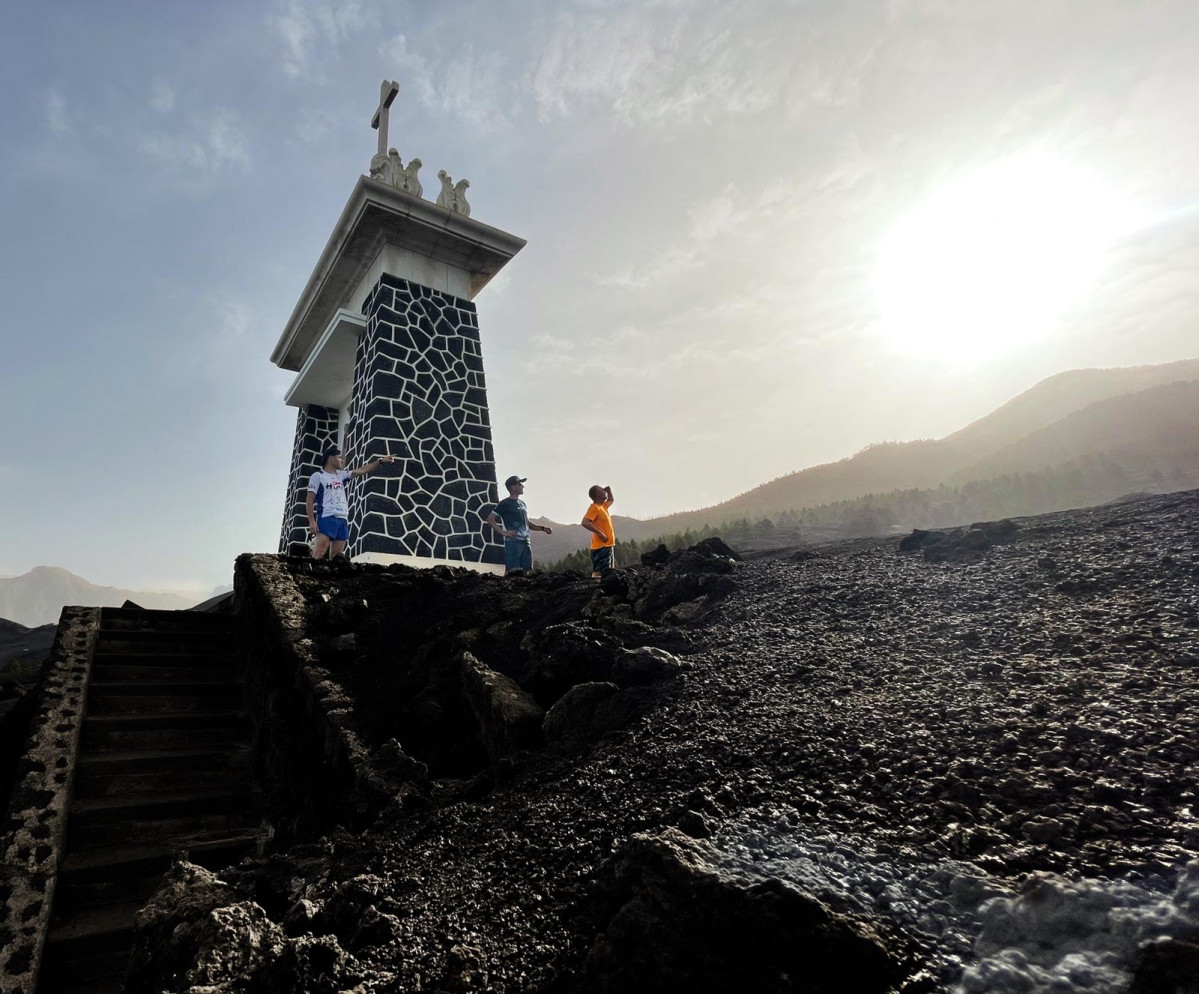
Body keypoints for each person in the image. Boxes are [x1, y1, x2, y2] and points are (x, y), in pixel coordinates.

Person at [306, 446, 396, 560]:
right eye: (339, 457)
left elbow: (362, 470)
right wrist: (312, 521)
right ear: (331, 458)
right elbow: (309, 499)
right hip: (327, 517)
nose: (342, 461)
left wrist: (380, 461)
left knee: (337, 557)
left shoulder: (341, 475)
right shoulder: (318, 476)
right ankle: (311, 576)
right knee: (319, 552)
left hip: (342, 518)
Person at [486, 475, 553, 576]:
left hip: (526, 542)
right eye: (519, 484)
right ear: (512, 487)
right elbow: (490, 519)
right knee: (513, 573)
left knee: (526, 573)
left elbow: (528, 523)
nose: (522, 486)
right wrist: (503, 532)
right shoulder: (505, 503)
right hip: (513, 543)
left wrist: (543, 528)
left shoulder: (522, 504)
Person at [581, 484, 616, 577]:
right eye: (601, 490)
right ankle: (597, 589)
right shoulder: (594, 508)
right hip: (601, 546)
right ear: (597, 494)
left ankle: (602, 589)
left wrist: (609, 491)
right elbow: (585, 522)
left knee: (608, 572)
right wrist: (601, 534)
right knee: (601, 573)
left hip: (608, 545)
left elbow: (611, 500)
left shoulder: (603, 507)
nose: (604, 490)